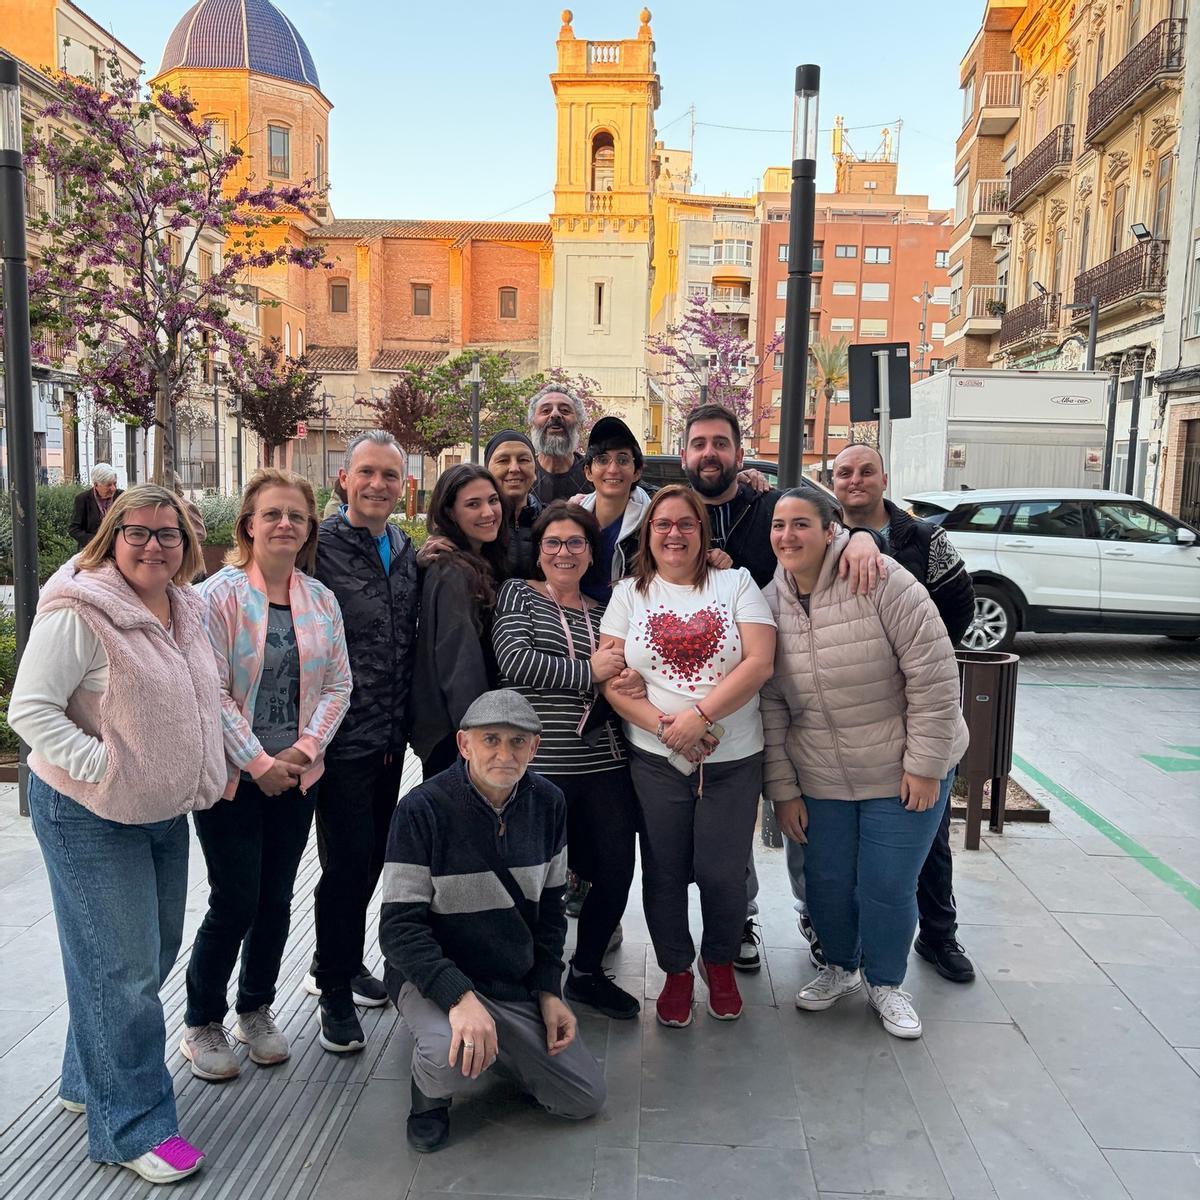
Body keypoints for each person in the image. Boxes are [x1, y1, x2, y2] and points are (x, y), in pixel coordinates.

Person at [8, 485, 225, 1184]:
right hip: (89, 813)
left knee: (145, 954)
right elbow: (32, 711)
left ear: (186, 545)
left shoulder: (185, 607)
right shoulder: (80, 610)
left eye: (168, 534)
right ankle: (132, 1127)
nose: (154, 545)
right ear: (111, 537)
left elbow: (201, 698)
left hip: (160, 811)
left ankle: (85, 1077)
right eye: (137, 532)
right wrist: (105, 767)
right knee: (123, 972)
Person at [680, 403, 886, 970]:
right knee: (732, 823)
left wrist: (862, 539)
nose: (710, 454)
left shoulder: (770, 505)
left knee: (801, 819)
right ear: (684, 456)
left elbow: (827, 527)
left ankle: (814, 916)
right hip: (711, 704)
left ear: (740, 454)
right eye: (699, 444)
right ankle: (741, 917)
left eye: (721, 443)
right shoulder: (676, 515)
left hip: (787, 693)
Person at [760, 489, 969, 1039]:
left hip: (900, 767)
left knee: (886, 884)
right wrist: (782, 789)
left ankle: (886, 982)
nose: (787, 536)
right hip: (822, 774)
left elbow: (935, 676)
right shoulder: (768, 603)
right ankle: (840, 968)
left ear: (832, 530)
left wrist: (925, 764)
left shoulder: (881, 580)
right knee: (826, 883)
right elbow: (773, 704)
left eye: (801, 524)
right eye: (779, 525)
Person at [379, 689, 607, 1153]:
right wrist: (458, 996)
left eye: (518, 742)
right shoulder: (421, 810)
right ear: (464, 745)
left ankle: (493, 1043)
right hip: (436, 977)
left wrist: (549, 991)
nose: (505, 754)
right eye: (491, 740)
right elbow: (399, 928)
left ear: (535, 748)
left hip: (510, 979)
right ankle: (429, 1096)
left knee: (583, 1097)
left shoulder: (549, 803)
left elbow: (550, 913)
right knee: (445, 1052)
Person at [181, 469, 352, 1081]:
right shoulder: (215, 597)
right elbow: (210, 691)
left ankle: (255, 1008)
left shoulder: (320, 598)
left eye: (296, 516)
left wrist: (304, 752)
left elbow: (339, 683)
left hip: (297, 776)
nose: (285, 524)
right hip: (233, 780)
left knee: (277, 899)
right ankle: (203, 1019)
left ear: (309, 529)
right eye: (272, 514)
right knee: (235, 898)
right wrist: (259, 762)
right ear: (249, 525)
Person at [599, 485, 776, 1027]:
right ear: (648, 534)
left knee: (724, 874)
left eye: (686, 524)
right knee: (665, 872)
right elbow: (608, 675)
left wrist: (701, 717)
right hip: (655, 761)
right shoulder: (629, 593)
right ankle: (676, 970)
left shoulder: (736, 582)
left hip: (732, 759)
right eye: (662, 525)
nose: (674, 533)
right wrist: (666, 728)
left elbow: (759, 662)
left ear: (703, 533)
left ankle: (717, 962)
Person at [831, 444, 977, 983]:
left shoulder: (924, 538)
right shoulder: (826, 535)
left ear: (883, 477)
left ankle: (939, 937)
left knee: (929, 834)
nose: (855, 481)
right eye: (844, 473)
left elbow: (960, 604)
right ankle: (851, 944)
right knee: (855, 846)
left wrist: (916, 655)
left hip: (917, 711)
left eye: (866, 471)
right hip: (855, 721)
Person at [492, 501, 641, 1020]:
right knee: (538, 882)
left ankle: (586, 972)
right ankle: (535, 979)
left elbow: (627, 669)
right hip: (539, 766)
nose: (563, 552)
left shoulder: (604, 612)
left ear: (590, 553)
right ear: (539, 551)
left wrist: (616, 677)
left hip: (604, 762)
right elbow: (515, 663)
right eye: (553, 542)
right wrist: (592, 670)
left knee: (617, 869)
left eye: (576, 543)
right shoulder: (517, 596)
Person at [306, 430, 420, 1055]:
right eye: (367, 473)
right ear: (343, 479)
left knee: (372, 858)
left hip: (390, 736)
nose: (379, 485)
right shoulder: (317, 547)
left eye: (390, 476)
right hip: (339, 738)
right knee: (346, 866)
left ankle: (343, 963)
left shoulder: (404, 547)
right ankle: (332, 989)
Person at [411, 464, 509, 777]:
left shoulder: (479, 560)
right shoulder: (452, 570)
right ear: (450, 513)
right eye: (473, 504)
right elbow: (460, 664)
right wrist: (481, 738)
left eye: (493, 500)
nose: (488, 512)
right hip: (458, 737)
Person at [576, 416, 651, 604]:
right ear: (588, 472)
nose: (613, 469)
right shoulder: (572, 521)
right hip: (578, 621)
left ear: (637, 472)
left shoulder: (654, 523)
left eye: (623, 460)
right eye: (602, 460)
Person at [484, 428, 542, 577]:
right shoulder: (474, 524)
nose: (514, 468)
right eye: (503, 460)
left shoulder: (550, 522)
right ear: (486, 470)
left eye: (523, 460)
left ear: (535, 470)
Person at [528, 384, 592, 504]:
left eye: (565, 411)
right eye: (546, 410)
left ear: (579, 423)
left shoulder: (594, 475)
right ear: (532, 423)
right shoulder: (523, 477)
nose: (555, 414)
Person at [69, 463, 122, 549]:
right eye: (108, 485)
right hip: (92, 551)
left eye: (115, 484)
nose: (113, 488)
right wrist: (96, 541)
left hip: (118, 549)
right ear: (96, 485)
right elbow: (74, 529)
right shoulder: (82, 499)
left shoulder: (121, 496)